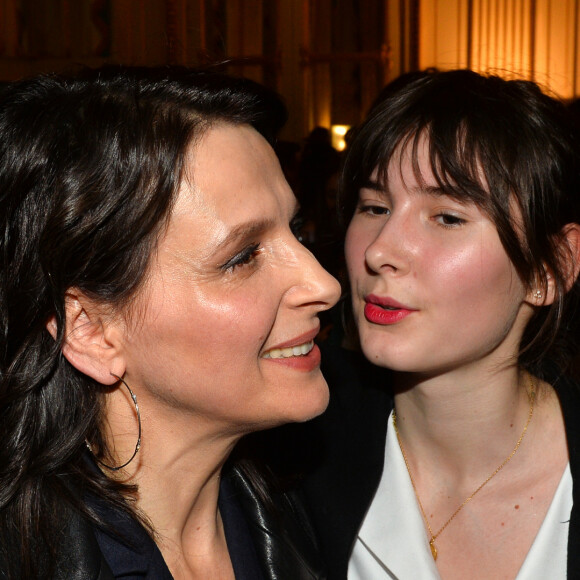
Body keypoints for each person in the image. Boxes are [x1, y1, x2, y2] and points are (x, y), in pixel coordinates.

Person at [0, 65, 341, 579]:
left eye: (295, 229)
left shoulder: (302, 514)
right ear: (91, 330)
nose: (324, 284)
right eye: (243, 256)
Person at [300, 69, 580, 579]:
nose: (381, 250)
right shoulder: (287, 465)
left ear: (550, 268)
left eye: (447, 217)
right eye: (374, 206)